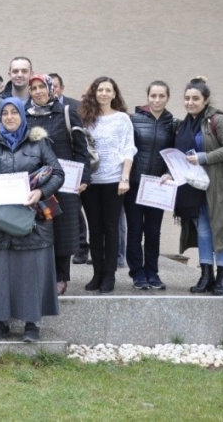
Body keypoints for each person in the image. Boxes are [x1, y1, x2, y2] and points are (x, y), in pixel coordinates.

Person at [0, 97, 64, 342]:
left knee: (30, 271)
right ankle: (0, 322)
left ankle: (31, 324)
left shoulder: (40, 143)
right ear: (0, 117)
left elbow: (57, 173)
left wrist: (41, 192)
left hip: (32, 219)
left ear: (23, 116)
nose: (10, 117)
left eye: (15, 112)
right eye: (5, 113)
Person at [168, 77, 223, 296]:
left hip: (219, 185)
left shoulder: (217, 120)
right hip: (193, 187)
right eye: (187, 98)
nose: (190, 102)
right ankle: (206, 275)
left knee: (222, 228)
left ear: (206, 100)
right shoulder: (183, 125)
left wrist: (204, 157)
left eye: (195, 98)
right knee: (203, 231)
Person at [25, 74, 91, 295]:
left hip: (64, 180)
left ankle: (61, 277)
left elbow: (81, 149)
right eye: (33, 88)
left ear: (51, 89)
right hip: (35, 181)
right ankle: (40, 275)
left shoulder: (66, 112)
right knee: (40, 229)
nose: (37, 91)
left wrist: (84, 177)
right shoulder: (25, 115)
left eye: (41, 87)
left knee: (63, 230)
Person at [78, 77, 136, 294]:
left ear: (114, 94)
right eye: (99, 90)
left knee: (111, 228)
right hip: (91, 182)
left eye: (107, 90)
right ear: (94, 93)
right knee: (95, 228)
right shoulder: (86, 118)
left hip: (114, 181)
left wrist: (125, 178)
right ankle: (97, 273)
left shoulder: (122, 119)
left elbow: (129, 149)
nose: (103, 93)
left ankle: (109, 275)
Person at [125, 81, 176, 290]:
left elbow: (176, 154)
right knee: (135, 230)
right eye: (153, 96)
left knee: (153, 231)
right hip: (136, 184)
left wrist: (169, 173)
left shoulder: (173, 124)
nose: (156, 100)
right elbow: (127, 149)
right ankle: (137, 273)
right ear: (147, 97)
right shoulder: (133, 120)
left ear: (167, 98)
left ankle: (152, 272)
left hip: (159, 187)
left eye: (161, 96)